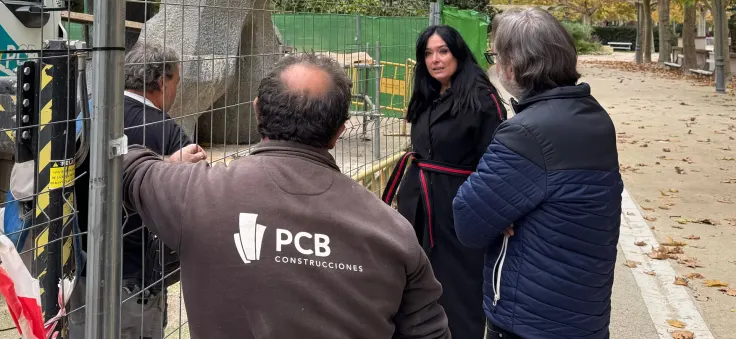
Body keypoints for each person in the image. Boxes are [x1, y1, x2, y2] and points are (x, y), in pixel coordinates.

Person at [121, 53, 451, 339]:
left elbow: (126, 166)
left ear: (257, 111)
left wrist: (170, 164)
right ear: (339, 132)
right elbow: (429, 330)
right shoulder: (393, 233)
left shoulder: (195, 193)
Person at [453, 8, 623, 339]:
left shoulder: (526, 134)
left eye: (495, 56)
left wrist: (506, 214)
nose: (495, 66)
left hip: (528, 318)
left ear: (513, 66)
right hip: (582, 313)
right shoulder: (595, 117)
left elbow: (468, 222)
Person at [70, 42, 206, 339]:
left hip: (79, 266)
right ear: (162, 82)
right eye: (176, 82)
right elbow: (193, 198)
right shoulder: (166, 130)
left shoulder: (88, 111)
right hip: (136, 276)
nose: (176, 91)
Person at [380, 25, 506, 339]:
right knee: (412, 283)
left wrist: (499, 212)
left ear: (458, 52)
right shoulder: (428, 94)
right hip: (417, 204)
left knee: (458, 289)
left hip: (458, 208)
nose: (435, 59)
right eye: (428, 53)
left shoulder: (483, 99)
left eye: (443, 51)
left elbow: (497, 162)